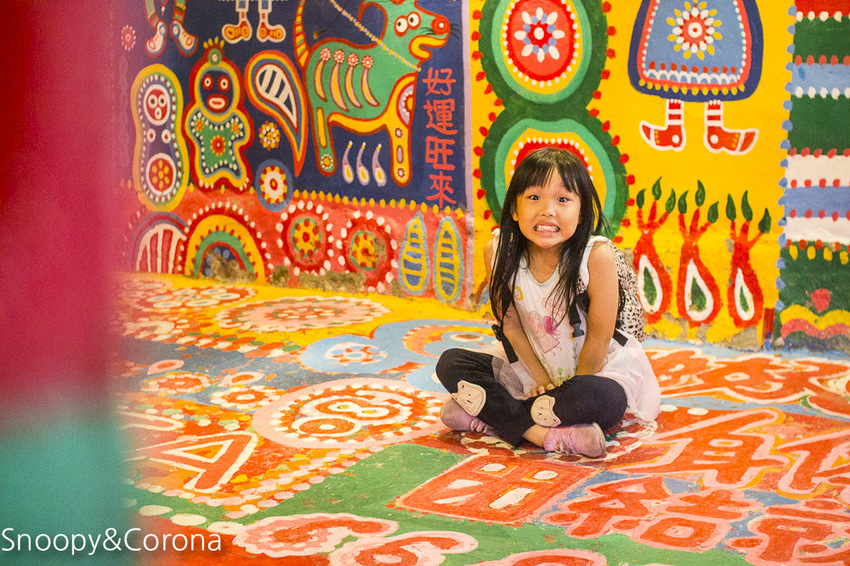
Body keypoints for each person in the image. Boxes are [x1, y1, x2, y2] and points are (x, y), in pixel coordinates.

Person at [436, 147, 660, 457]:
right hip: (531, 368)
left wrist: (564, 390)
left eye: (563, 199)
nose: (548, 210)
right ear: (514, 208)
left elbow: (599, 336)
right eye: (534, 197)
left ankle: (491, 415)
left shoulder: (596, 256)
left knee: (604, 399)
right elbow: (510, 325)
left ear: (581, 211)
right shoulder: (498, 251)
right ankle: (549, 435)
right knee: (450, 363)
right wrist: (539, 381)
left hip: (590, 372)